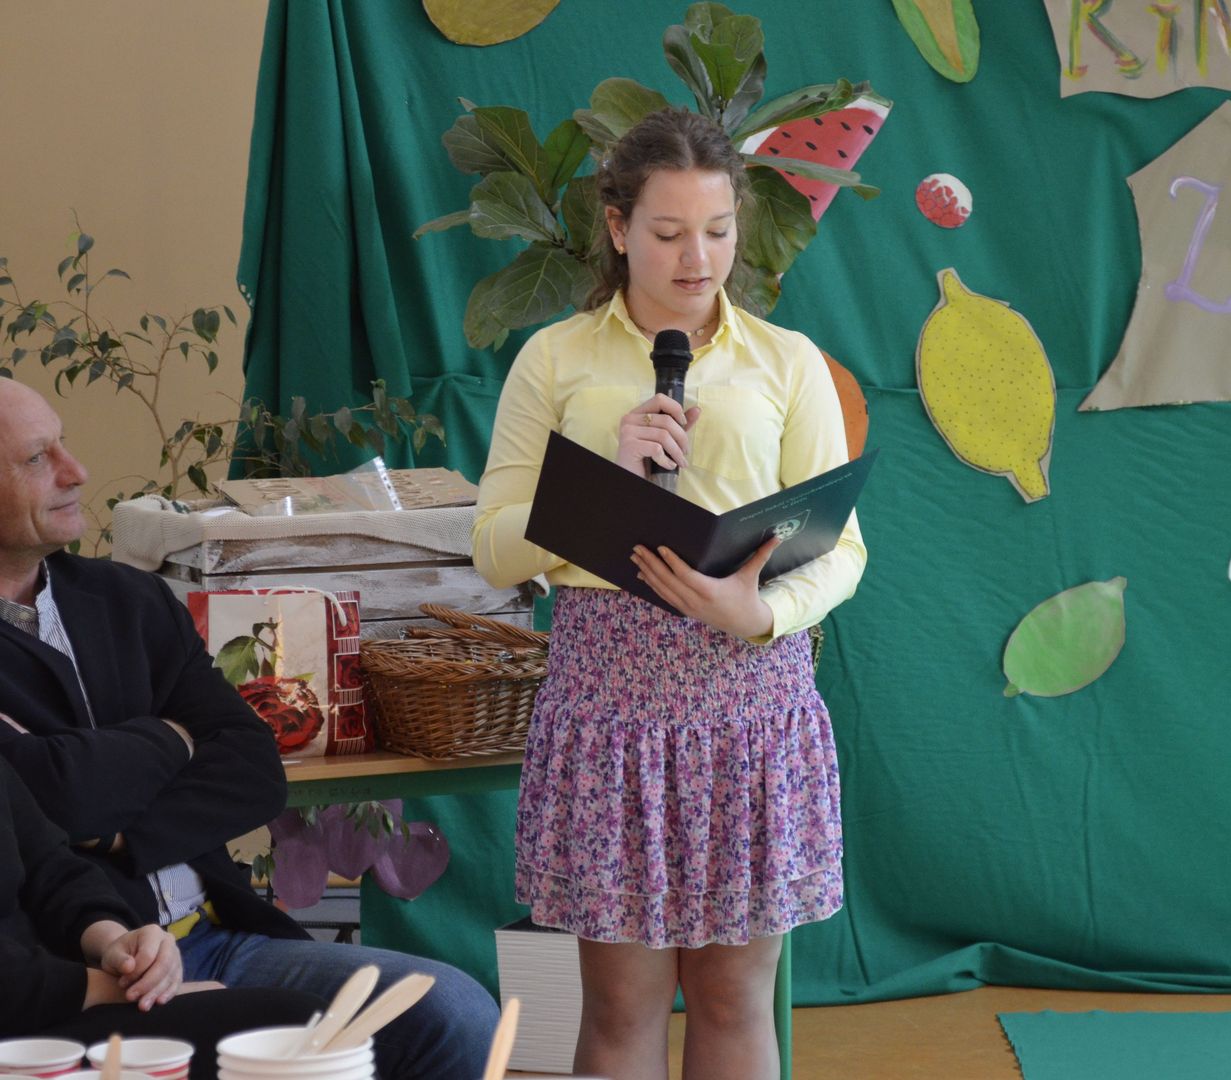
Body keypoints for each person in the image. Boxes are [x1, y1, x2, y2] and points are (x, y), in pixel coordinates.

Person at [471, 108, 867, 1080]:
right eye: (668, 232)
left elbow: (842, 550)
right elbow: (491, 549)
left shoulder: (787, 360)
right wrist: (598, 482)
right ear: (616, 228)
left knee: (734, 1001)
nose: (698, 258)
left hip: (749, 708)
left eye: (718, 230)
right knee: (619, 1008)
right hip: (608, 715)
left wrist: (760, 614)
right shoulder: (553, 358)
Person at [0, 376, 500, 1080]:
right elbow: (49, 799)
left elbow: (254, 766)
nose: (75, 471)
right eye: (36, 458)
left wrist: (115, 834)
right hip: (79, 974)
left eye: (64, 444)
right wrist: (172, 739)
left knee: (453, 1010)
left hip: (218, 934)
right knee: (305, 1035)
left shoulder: (128, 598)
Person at [1, 753, 324, 1078]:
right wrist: (117, 989)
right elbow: (69, 796)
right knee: (296, 1027)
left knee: (314, 1021)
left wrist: (114, 939)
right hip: (36, 1012)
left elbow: (51, 866)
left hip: (82, 983)